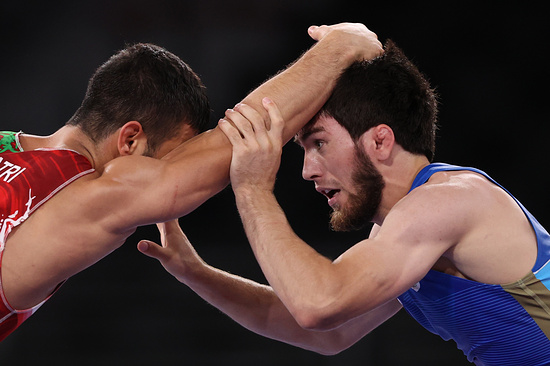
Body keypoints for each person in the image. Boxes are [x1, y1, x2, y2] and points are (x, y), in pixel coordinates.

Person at [139, 40, 550, 365]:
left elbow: (319, 304)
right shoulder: (402, 231)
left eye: (318, 143)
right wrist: (196, 273)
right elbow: (325, 332)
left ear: (380, 140)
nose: (307, 171)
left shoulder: (446, 204)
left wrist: (252, 189)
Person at [0, 23, 384, 341]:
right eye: (172, 159)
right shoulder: (81, 194)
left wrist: (197, 273)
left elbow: (329, 335)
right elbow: (235, 140)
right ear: (130, 140)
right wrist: (342, 46)